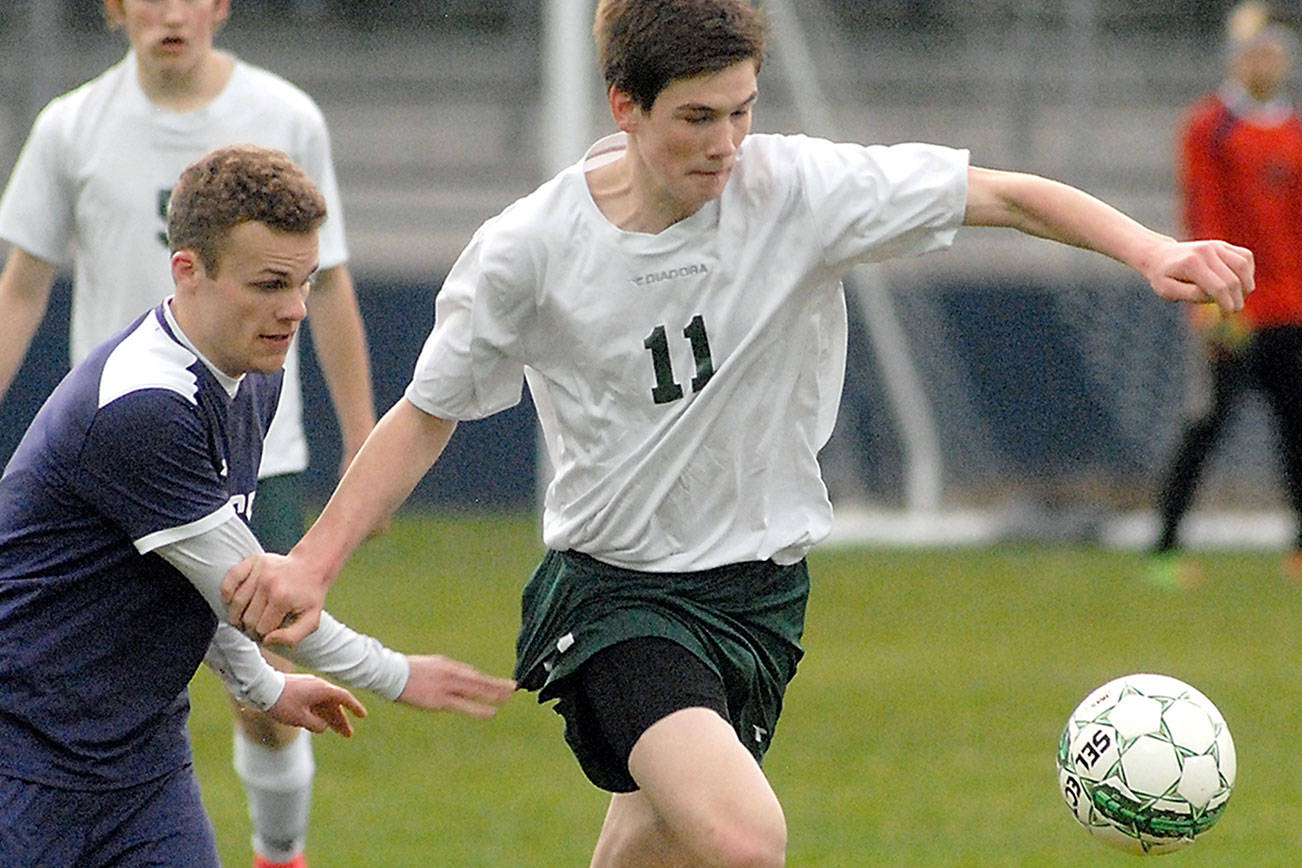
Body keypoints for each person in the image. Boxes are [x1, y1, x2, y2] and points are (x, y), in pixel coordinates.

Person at [221, 1, 1254, 864]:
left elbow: (1002, 193)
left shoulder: (796, 189)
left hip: (762, 596)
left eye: (743, 112)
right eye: (697, 118)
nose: (725, 144)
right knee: (744, 837)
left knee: (653, 847)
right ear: (625, 107)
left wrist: (1152, 249)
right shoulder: (528, 251)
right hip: (617, 596)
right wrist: (313, 563)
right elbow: (423, 417)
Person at [0, 144, 515, 868]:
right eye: (271, 283)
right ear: (188, 271)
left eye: (304, 282)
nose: (296, 310)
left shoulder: (252, 372)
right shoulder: (143, 407)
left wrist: (261, 687)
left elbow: (210, 579)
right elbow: (268, 602)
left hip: (140, 757)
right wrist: (401, 676)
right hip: (24, 754)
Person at [0, 3, 376, 865]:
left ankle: (280, 853)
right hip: (122, 454)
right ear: (115, 8)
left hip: (255, 452)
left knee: (260, 679)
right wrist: (403, 676)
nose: (171, 11)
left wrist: (362, 441)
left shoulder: (286, 115)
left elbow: (335, 283)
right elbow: (23, 286)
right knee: (102, 669)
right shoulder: (70, 126)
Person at [1150, 1, 1302, 586]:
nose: (1270, 61)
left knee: (1295, 430)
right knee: (1206, 426)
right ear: (1238, 59)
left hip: (1290, 307)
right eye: (1258, 50)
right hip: (1236, 306)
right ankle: (1163, 549)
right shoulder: (1210, 126)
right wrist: (1209, 303)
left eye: (1277, 51)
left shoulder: (1292, 128)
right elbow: (1202, 213)